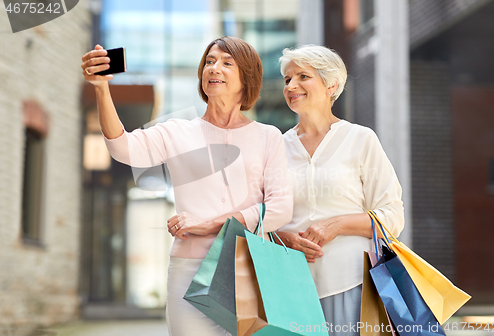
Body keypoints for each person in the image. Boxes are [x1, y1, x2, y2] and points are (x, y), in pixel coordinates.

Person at [81, 36, 292, 336]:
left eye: (226, 63)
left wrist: (212, 225)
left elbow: (281, 208)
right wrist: (101, 89)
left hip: (249, 269)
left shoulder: (269, 137)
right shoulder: (177, 131)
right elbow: (122, 148)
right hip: (190, 273)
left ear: (247, 78)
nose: (213, 67)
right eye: (209, 61)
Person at [275, 45, 404, 336]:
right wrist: (283, 237)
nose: (291, 85)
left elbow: (392, 217)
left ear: (331, 84)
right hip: (291, 289)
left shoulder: (360, 139)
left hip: (352, 286)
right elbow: (261, 221)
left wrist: (338, 224)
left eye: (302, 76)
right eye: (287, 79)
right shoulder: (275, 147)